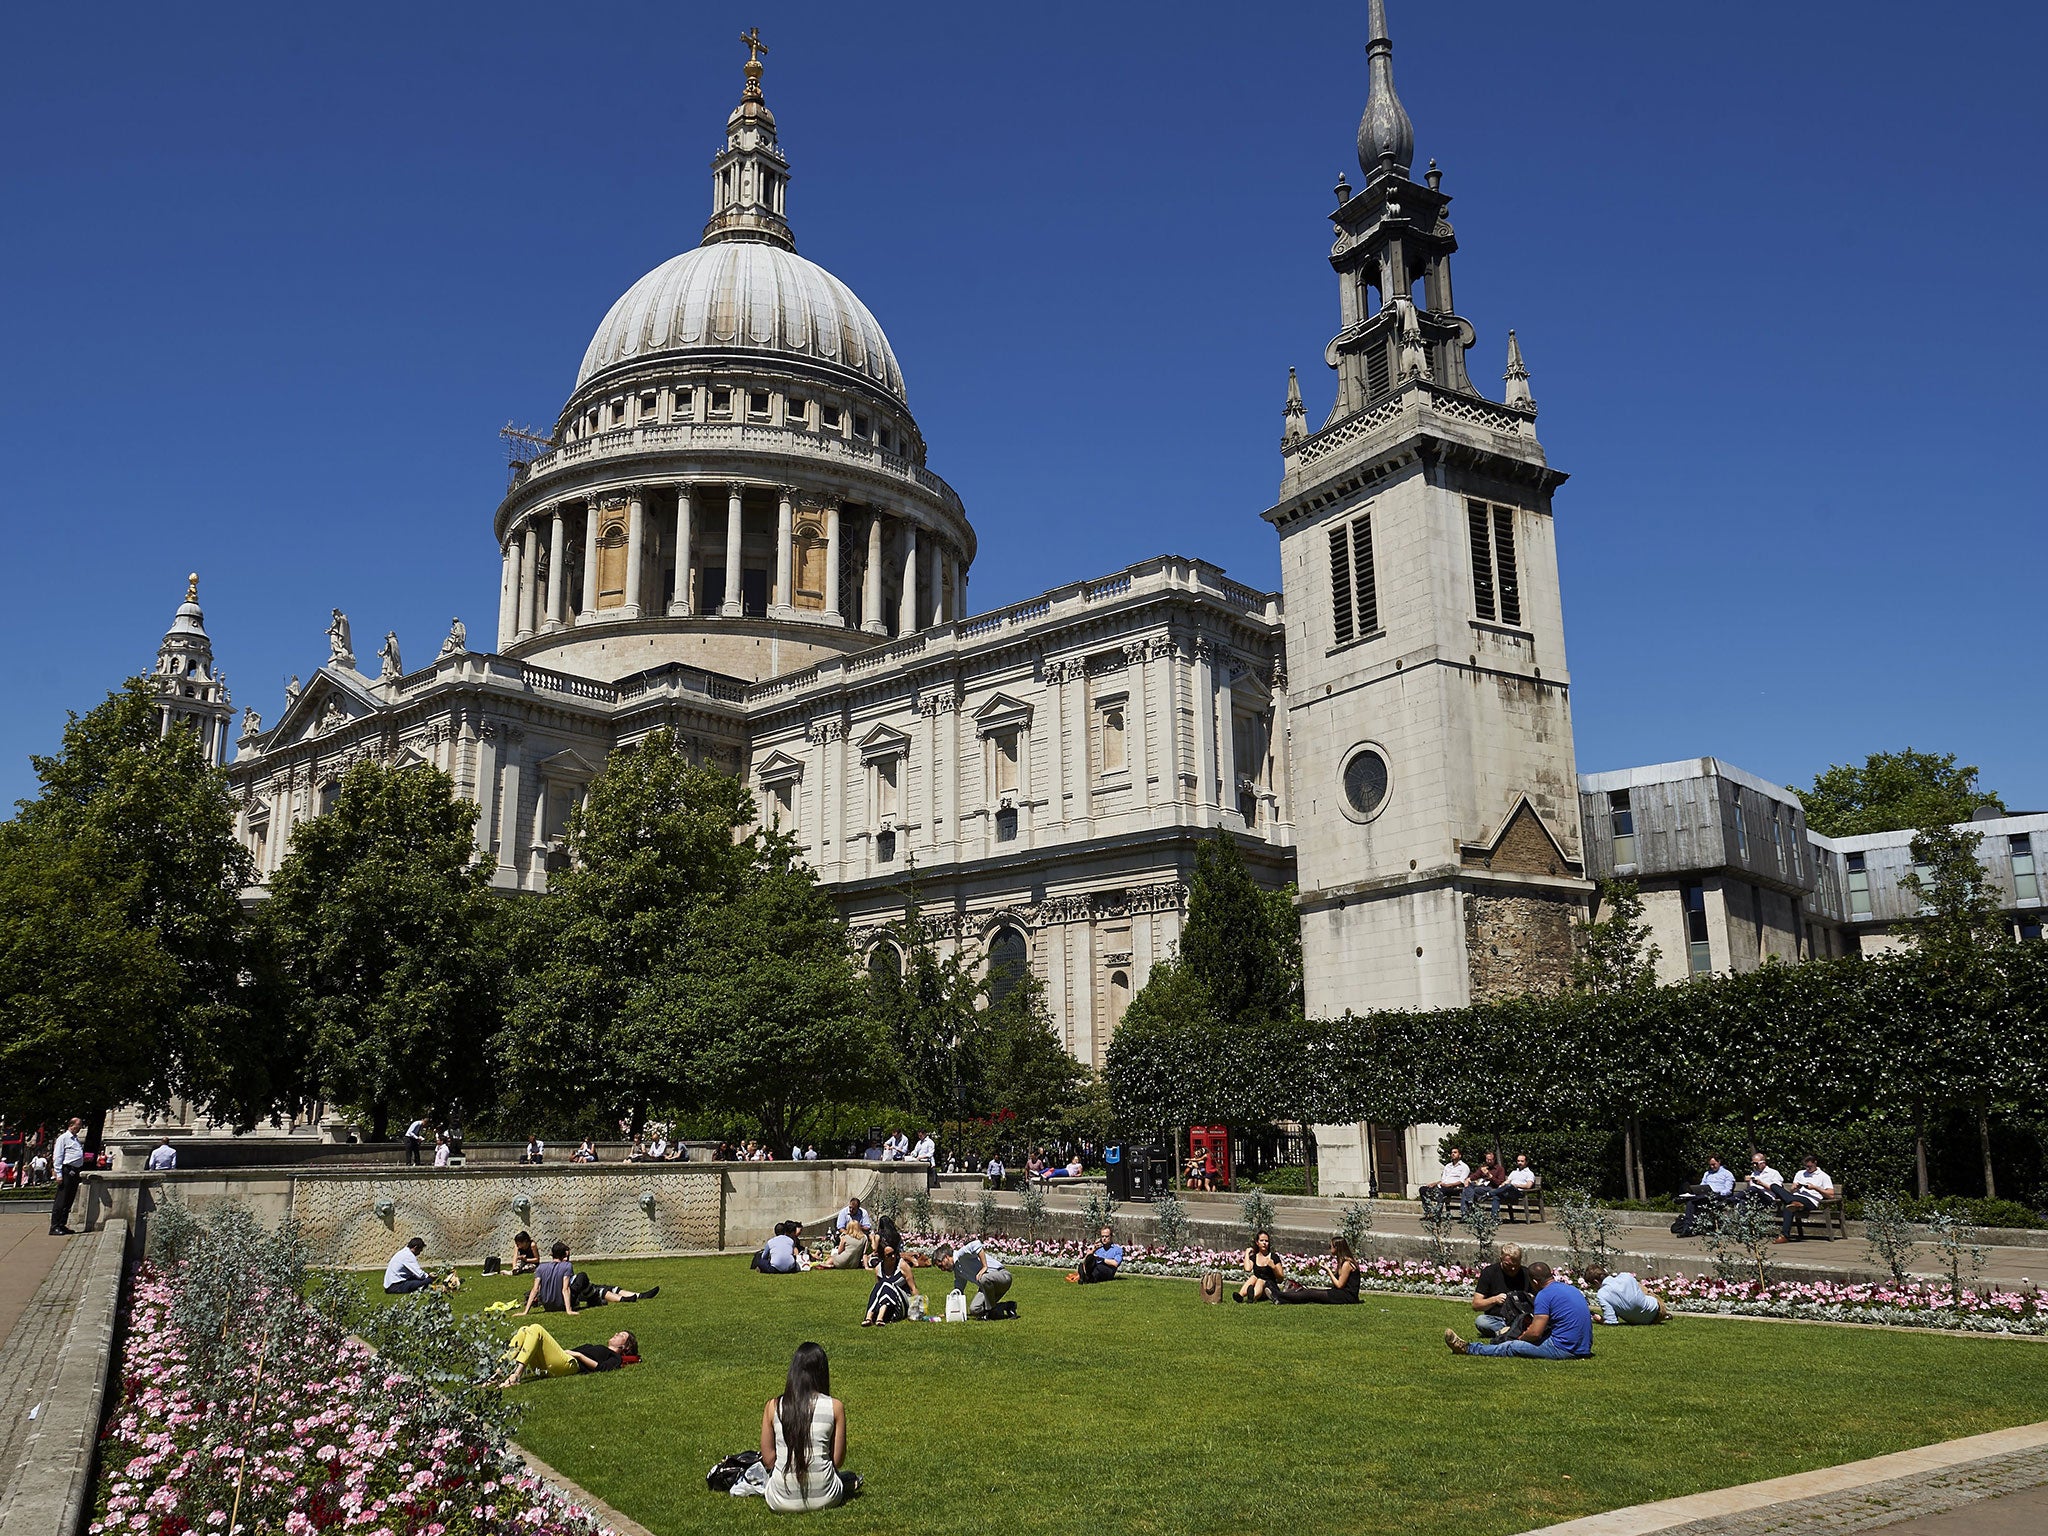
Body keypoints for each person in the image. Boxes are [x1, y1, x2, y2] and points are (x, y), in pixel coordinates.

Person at [761, 1343, 857, 1511]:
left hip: (779, 1499)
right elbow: (837, 1461)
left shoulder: (773, 1406)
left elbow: (768, 1460)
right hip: (827, 1497)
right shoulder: (835, 1407)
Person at [1445, 1261, 1592, 1358]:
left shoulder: (1545, 1295)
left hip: (1565, 1349)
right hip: (1583, 1347)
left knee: (1513, 1346)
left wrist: (1521, 1338)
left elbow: (1535, 1333)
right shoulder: (1571, 1289)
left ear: (1534, 1281)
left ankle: (1469, 1348)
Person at [521, 1241, 659, 1313]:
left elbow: (535, 1290)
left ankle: (638, 1295)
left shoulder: (542, 1268)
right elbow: (565, 1289)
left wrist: (525, 1312)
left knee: (602, 1287)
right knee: (587, 1282)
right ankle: (620, 1299)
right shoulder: (566, 1267)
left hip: (556, 1301)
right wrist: (569, 1310)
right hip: (565, 1300)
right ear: (564, 1255)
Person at [499, 1324, 640, 1387]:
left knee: (536, 1328)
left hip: (570, 1365)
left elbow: (602, 1368)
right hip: (557, 1363)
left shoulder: (615, 1357)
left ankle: (516, 1375)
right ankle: (498, 1371)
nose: (616, 1334)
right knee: (524, 1330)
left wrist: (578, 1355)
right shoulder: (599, 1347)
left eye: (621, 1335)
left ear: (625, 1347)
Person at [1468, 1242, 1535, 1338]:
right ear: (1501, 1259)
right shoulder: (1489, 1273)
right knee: (1481, 1321)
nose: (1512, 1269)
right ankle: (1510, 1330)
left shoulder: (1526, 1274)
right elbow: (1476, 1305)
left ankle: (1508, 1332)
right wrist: (1494, 1300)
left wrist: (1530, 1298)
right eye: (1508, 1265)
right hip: (1499, 1318)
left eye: (1516, 1265)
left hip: (1522, 1317)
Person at [943, 1233, 1013, 1317]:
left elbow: (976, 1244)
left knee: (983, 1278)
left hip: (1002, 1277)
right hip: (987, 1287)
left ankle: (990, 1310)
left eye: (941, 1265)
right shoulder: (958, 1271)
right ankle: (1007, 1306)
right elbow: (958, 1291)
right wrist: (950, 1312)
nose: (942, 1269)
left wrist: (984, 1266)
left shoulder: (961, 1254)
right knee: (975, 1309)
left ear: (946, 1257)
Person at [1277, 1238, 1361, 1305]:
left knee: (1311, 1293)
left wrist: (1328, 1270)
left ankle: (1278, 1295)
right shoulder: (1342, 1261)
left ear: (1337, 1248)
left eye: (1330, 1246)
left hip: (1346, 1296)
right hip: (1341, 1294)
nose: (1330, 1249)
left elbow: (1339, 1285)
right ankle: (1283, 1299)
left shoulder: (1347, 1264)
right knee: (1311, 1292)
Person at [861, 1235, 917, 1325]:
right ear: (883, 1256)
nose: (893, 1256)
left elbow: (913, 1288)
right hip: (890, 1307)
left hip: (902, 1303)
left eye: (894, 1253)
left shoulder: (902, 1265)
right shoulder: (878, 1269)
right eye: (889, 1255)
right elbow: (879, 1291)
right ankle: (870, 1317)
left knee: (885, 1283)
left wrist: (917, 1310)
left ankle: (877, 1317)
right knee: (880, 1285)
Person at [1583, 1265, 1667, 1325]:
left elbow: (1611, 1321)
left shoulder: (1602, 1294)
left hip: (1638, 1321)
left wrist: (1598, 1319)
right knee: (1638, 1287)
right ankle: (1665, 1315)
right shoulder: (1625, 1276)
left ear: (1596, 1282)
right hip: (1658, 1310)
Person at [1675, 1155, 1737, 1234]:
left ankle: (1685, 1199)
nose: (1712, 1167)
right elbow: (1702, 1186)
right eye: (1710, 1165)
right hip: (1705, 1195)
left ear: (1719, 1162)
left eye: (1714, 1164)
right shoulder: (1707, 1174)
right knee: (1691, 1202)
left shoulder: (1727, 1174)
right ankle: (1687, 1228)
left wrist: (1718, 1192)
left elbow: (1728, 1190)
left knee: (1695, 1199)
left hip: (1719, 1196)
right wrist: (1698, 1190)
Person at [48, 1117, 87, 1236]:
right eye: (78, 1125)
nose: (80, 1127)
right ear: (71, 1125)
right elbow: (58, 1156)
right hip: (66, 1171)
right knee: (61, 1199)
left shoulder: (75, 1139)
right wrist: (58, 1174)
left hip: (75, 1171)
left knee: (69, 1199)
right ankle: (54, 1226)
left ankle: (62, 1224)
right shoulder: (63, 1138)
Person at [1235, 1230, 1286, 1303]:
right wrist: (1247, 1253)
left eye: (1266, 1241)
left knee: (1260, 1280)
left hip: (1269, 1287)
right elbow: (1247, 1269)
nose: (1264, 1243)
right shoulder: (1254, 1257)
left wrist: (1274, 1268)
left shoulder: (1274, 1257)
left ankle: (1252, 1297)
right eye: (1262, 1240)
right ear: (1257, 1242)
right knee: (1253, 1277)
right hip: (1258, 1286)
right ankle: (1240, 1296)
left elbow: (1281, 1278)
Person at [1420, 1146, 1470, 1217]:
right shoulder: (1448, 1166)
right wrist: (1435, 1183)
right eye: (1452, 1153)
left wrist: (1449, 1185)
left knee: (1441, 1191)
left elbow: (1462, 1181)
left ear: (1460, 1155)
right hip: (1443, 1186)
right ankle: (1428, 1211)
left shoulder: (1464, 1167)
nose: (1453, 1154)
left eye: (1455, 1152)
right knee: (1423, 1189)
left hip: (1455, 1188)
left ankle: (1438, 1213)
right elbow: (1443, 1180)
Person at [826, 1196, 873, 1269]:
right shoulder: (844, 1212)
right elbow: (840, 1227)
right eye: (850, 1207)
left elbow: (867, 1226)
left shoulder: (863, 1213)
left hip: (859, 1234)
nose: (851, 1210)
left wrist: (857, 1228)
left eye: (853, 1209)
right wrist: (850, 1234)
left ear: (858, 1208)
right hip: (847, 1233)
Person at [1461, 1151, 1508, 1219]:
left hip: (1492, 1188)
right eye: (1487, 1159)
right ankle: (1467, 1207)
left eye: (1490, 1160)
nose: (1488, 1161)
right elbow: (1475, 1175)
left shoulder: (1500, 1169)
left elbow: (1500, 1183)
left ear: (1494, 1160)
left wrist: (1490, 1176)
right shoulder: (1483, 1167)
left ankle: (1467, 1208)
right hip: (1481, 1187)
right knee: (1466, 1187)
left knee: (1471, 1190)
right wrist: (1468, 1179)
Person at [1501, 1154, 1538, 1220]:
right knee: (1496, 1197)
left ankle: (1489, 1193)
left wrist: (1516, 1185)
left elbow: (1528, 1186)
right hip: (1509, 1192)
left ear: (1526, 1162)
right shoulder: (1514, 1172)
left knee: (1509, 1186)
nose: (1520, 1163)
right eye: (1518, 1161)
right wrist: (1502, 1185)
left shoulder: (1529, 1173)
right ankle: (1494, 1218)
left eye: (1522, 1161)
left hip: (1519, 1193)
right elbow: (1507, 1181)